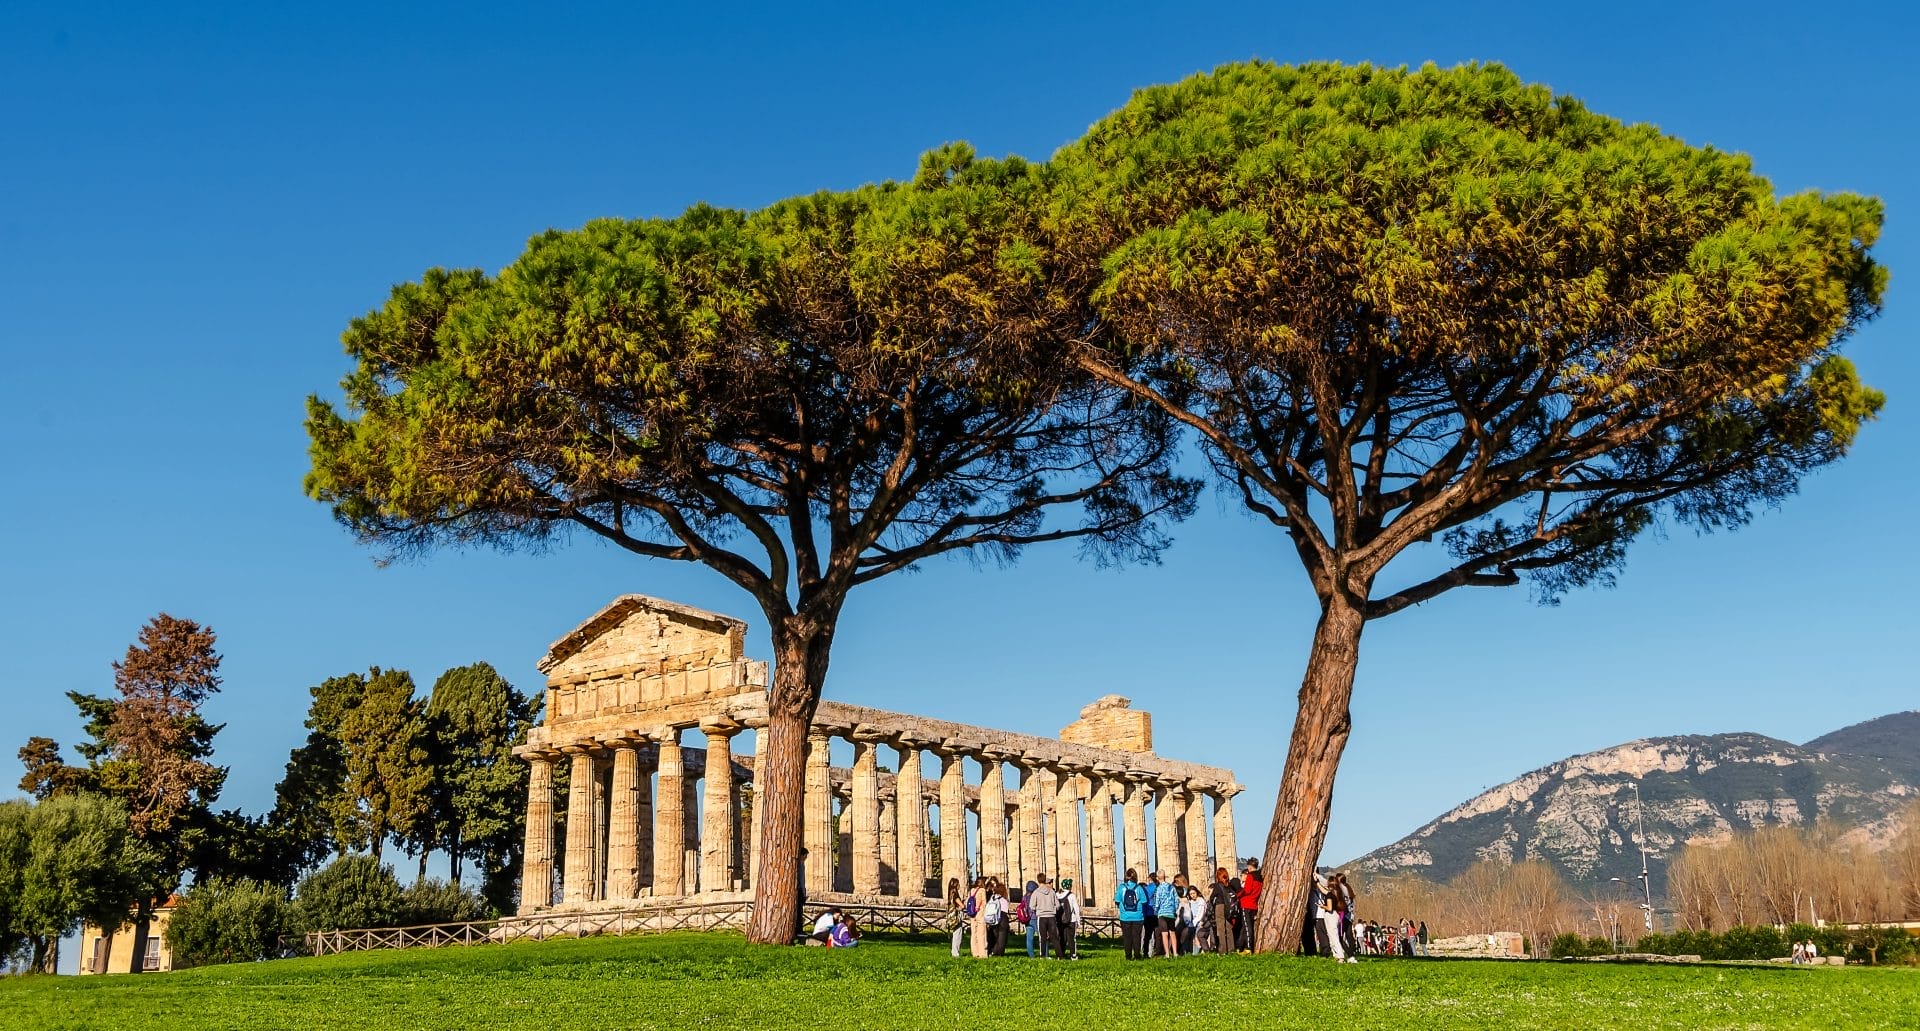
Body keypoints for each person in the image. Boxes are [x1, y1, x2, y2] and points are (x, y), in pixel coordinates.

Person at [1115, 868, 1149, 960]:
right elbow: (1144, 901)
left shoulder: (1121, 888)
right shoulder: (1139, 888)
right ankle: (1137, 956)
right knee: (1136, 936)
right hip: (1138, 916)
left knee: (1127, 937)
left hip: (1125, 916)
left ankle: (1128, 956)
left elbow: (1117, 901)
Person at [1029, 874, 1061, 959]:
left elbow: (1031, 906)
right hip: (1051, 917)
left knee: (1042, 937)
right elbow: (1058, 905)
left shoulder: (1036, 892)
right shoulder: (1052, 892)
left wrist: (1039, 909)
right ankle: (1060, 956)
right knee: (1054, 937)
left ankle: (1043, 956)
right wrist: (1052, 909)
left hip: (1041, 917)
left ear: (1038, 880)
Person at [1208, 867, 1239, 956]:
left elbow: (1211, 897)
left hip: (1220, 906)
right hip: (1229, 908)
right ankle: (1231, 948)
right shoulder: (1229, 885)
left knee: (1221, 929)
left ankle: (1222, 950)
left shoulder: (1218, 886)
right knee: (1228, 928)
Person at [1153, 869, 1181, 958]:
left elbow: (1157, 903)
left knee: (1164, 934)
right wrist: (1174, 910)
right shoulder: (1171, 887)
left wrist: (1156, 912)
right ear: (1165, 877)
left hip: (1162, 913)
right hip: (1171, 913)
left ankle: (1167, 954)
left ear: (1157, 878)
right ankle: (1175, 953)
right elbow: (1176, 900)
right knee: (1172, 933)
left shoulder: (1159, 889)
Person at [1237, 860, 1262, 953]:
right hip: (1254, 904)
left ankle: (1248, 948)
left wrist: (1238, 895)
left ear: (1250, 867)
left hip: (1246, 903)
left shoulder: (1251, 876)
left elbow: (1247, 890)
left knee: (1247, 928)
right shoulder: (1260, 877)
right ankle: (1239, 947)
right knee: (1245, 927)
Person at [1058, 878, 1082, 960]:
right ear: (1069, 886)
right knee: (1072, 939)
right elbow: (1076, 909)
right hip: (1071, 920)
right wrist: (1079, 921)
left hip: (1061, 920)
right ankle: (1073, 955)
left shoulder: (1057, 894)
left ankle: (1061, 955)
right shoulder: (1072, 895)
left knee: (1062, 938)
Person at [967, 877, 990, 959]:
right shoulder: (982, 890)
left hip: (972, 914)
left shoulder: (971, 890)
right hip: (980, 913)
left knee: (974, 933)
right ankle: (982, 953)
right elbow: (984, 903)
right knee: (982, 933)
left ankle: (975, 952)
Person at [1180, 886, 1206, 954]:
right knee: (1185, 933)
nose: (1192, 895)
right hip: (1192, 922)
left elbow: (1201, 914)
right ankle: (1185, 951)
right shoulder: (1191, 902)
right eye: (1191, 894)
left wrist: (1193, 923)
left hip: (1200, 921)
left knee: (1196, 934)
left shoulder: (1201, 901)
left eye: (1194, 893)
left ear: (1196, 892)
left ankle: (1196, 952)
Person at [946, 877, 967, 958]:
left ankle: (954, 951)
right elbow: (961, 905)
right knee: (958, 935)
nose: (959, 885)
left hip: (951, 916)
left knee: (955, 934)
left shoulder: (950, 894)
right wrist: (963, 905)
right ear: (955, 884)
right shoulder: (955, 895)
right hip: (956, 917)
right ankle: (955, 953)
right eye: (958, 884)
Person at [1022, 880, 1040, 957]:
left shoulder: (1024, 897)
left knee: (1029, 939)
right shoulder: (1035, 896)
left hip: (1027, 919)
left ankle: (1031, 955)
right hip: (1035, 918)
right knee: (1042, 937)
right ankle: (1045, 954)